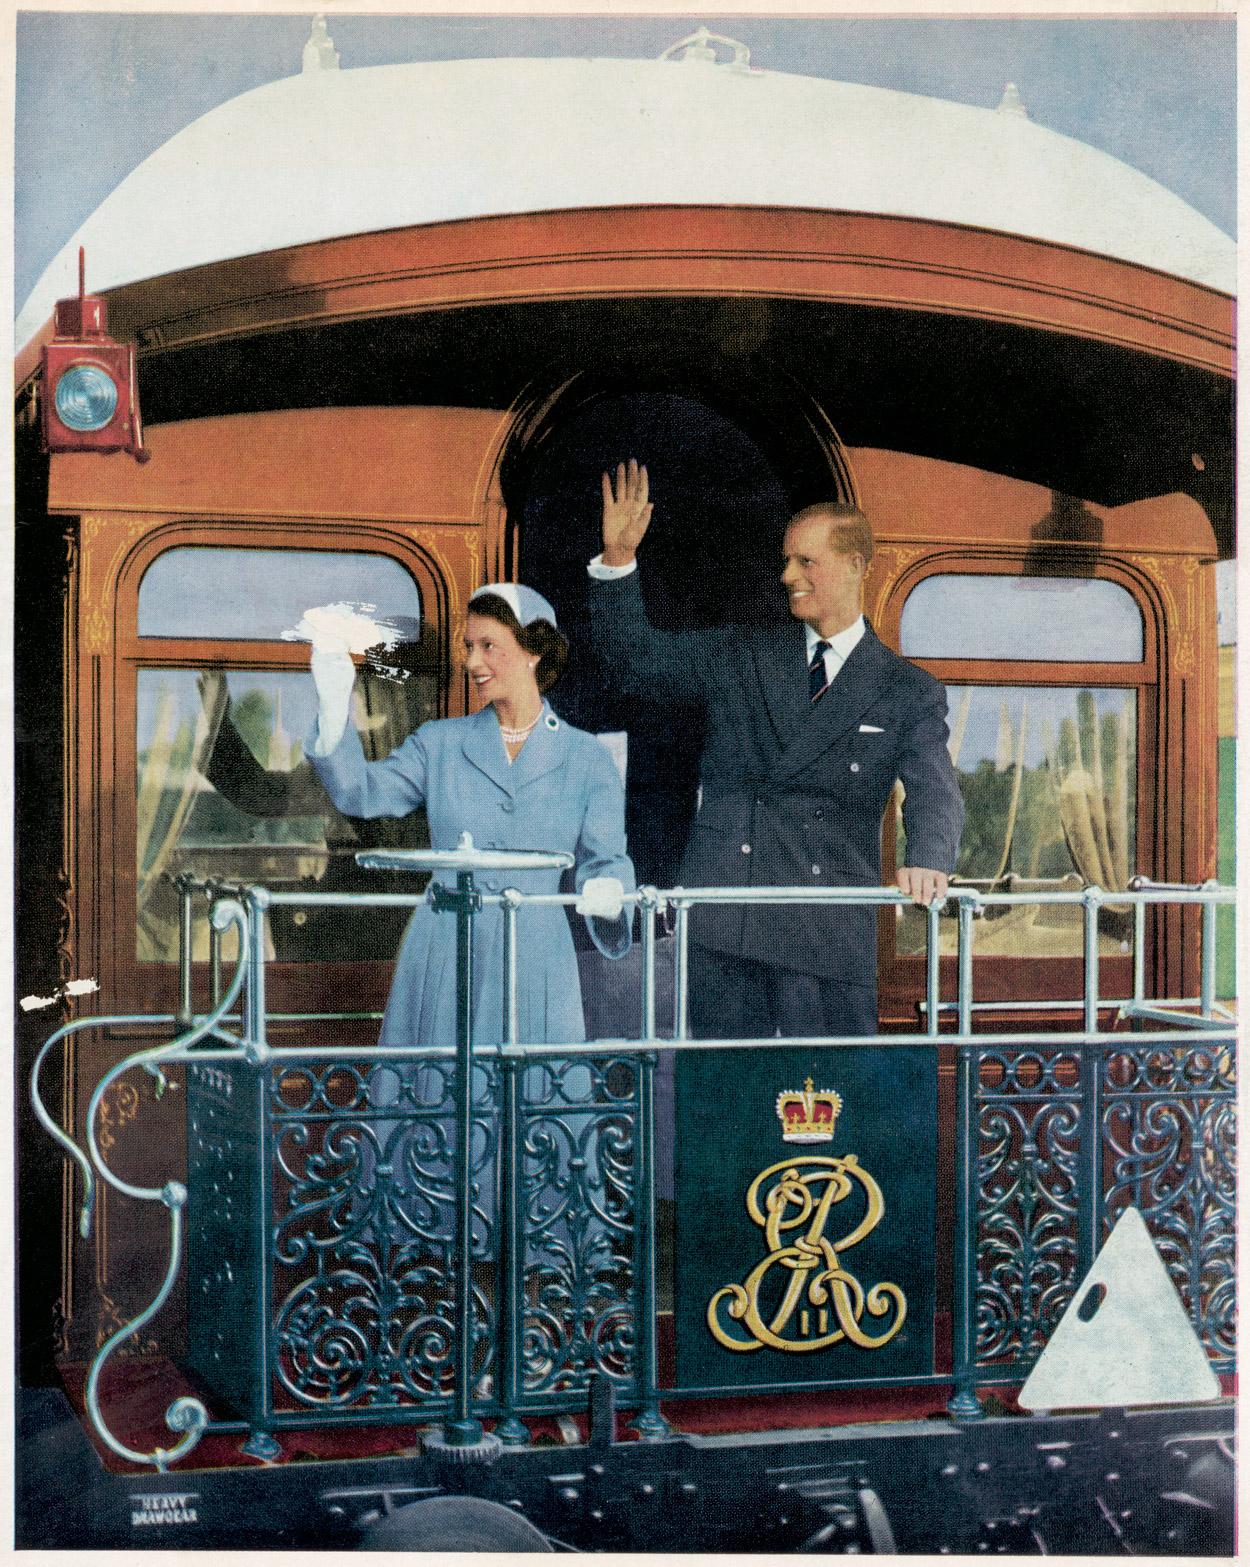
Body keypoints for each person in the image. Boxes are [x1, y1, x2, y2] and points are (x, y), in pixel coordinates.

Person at [586, 460, 964, 1040]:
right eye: (786, 560)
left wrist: (930, 858)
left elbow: (935, 788)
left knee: (824, 1111)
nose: (787, 575)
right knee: (724, 1109)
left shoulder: (907, 690)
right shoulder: (742, 656)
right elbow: (635, 662)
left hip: (827, 935)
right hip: (724, 928)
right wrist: (618, 559)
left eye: (805, 561)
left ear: (855, 565)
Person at [306, 583, 635, 1049]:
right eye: (467, 647)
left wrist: (609, 889)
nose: (471, 662)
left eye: (488, 646)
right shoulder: (438, 743)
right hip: (445, 948)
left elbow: (607, 862)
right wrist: (334, 710)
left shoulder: (587, 758)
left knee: (533, 1099)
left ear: (534, 652)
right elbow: (361, 793)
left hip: (537, 954)